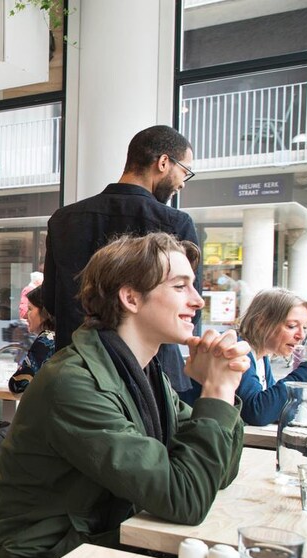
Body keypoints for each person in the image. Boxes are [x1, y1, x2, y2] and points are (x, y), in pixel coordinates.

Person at [0, 233, 249, 558]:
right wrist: (216, 392)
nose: (198, 300)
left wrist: (222, 394)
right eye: (180, 287)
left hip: (99, 547)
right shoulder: (74, 382)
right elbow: (186, 497)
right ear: (131, 298)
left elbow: (217, 472)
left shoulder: (142, 373)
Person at [43, 125, 200, 393]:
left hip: (79, 371)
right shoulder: (175, 223)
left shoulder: (64, 220)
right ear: (163, 162)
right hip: (153, 377)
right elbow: (186, 311)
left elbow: (51, 301)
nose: (183, 182)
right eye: (184, 171)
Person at [195, 288, 307, 426]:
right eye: (291, 326)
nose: (301, 336)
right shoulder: (236, 350)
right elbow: (258, 413)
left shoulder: (261, 356)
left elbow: (275, 407)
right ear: (262, 323)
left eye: (304, 327)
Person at [8, 285, 55, 394]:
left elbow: (17, 385)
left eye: (30, 309)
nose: (24, 316)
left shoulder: (47, 339)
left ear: (44, 313)